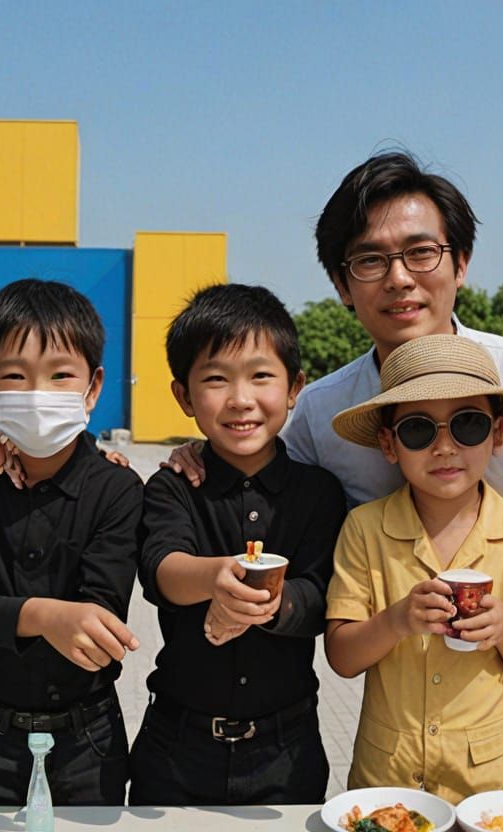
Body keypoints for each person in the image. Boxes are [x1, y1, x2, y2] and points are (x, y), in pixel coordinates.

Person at [170, 151, 503, 806]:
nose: (399, 279)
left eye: (421, 253)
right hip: (393, 758)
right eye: (370, 260)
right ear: (342, 283)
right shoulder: (322, 413)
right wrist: (195, 455)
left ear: (460, 264)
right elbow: (266, 485)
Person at [128, 284, 347, 806]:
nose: (241, 399)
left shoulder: (318, 492)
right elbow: (162, 567)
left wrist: (270, 603)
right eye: (216, 379)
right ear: (183, 395)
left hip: (286, 746)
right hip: (176, 745)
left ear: (295, 387)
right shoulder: (172, 486)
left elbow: (321, 595)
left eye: (261, 376)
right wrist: (216, 578)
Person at [0, 278, 143, 807]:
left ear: (93, 387)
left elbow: (101, 611)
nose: (38, 394)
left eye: (60, 376)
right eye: (15, 378)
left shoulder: (117, 488)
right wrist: (47, 616)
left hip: (89, 739)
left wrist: (56, 619)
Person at [325, 334, 503, 803]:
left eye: (467, 425)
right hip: (386, 783)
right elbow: (341, 658)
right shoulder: (364, 529)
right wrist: (397, 620)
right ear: (389, 444)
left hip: (490, 788)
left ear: (497, 435)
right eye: (418, 429)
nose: (445, 447)